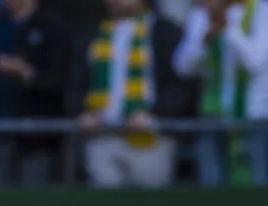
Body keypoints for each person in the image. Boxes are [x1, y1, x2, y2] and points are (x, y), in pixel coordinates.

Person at [75, 0, 196, 188]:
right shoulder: (93, 32)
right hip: (103, 136)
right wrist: (83, 111)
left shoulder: (164, 31)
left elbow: (180, 83)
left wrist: (157, 115)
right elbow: (76, 81)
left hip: (151, 139)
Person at [173, 0, 268, 186]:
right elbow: (182, 67)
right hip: (212, 113)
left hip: (255, 115)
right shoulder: (201, 14)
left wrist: (227, 28)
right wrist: (204, 40)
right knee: (211, 191)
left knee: (257, 190)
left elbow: (258, 62)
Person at [0, 0, 67, 187]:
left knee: (33, 205)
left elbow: (63, 79)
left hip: (36, 135)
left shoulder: (52, 23)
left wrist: (27, 73)